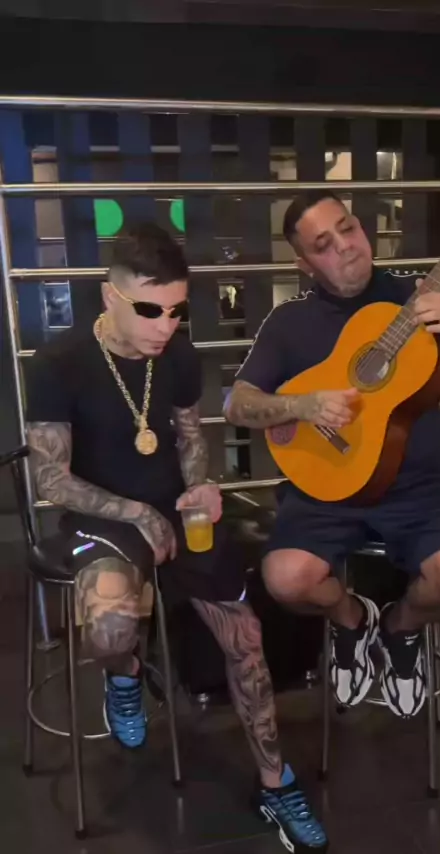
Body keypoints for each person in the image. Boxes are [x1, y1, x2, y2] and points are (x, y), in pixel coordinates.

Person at [25, 223, 327, 853]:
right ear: (110, 297)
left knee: (245, 639)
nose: (165, 326)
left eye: (176, 311)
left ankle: (276, 782)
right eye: (149, 310)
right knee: (111, 630)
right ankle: (128, 675)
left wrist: (201, 486)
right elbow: (50, 476)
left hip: (176, 512)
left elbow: (191, 439)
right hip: (102, 516)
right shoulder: (59, 362)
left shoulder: (179, 357)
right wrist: (133, 511)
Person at [225, 190, 440, 719]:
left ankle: (401, 628)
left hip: (421, 485)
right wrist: (300, 405)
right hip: (327, 484)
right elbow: (236, 404)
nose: (345, 246)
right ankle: (351, 620)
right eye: (323, 244)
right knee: (285, 579)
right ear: (305, 264)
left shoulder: (423, 300)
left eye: (347, 227)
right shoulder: (290, 322)